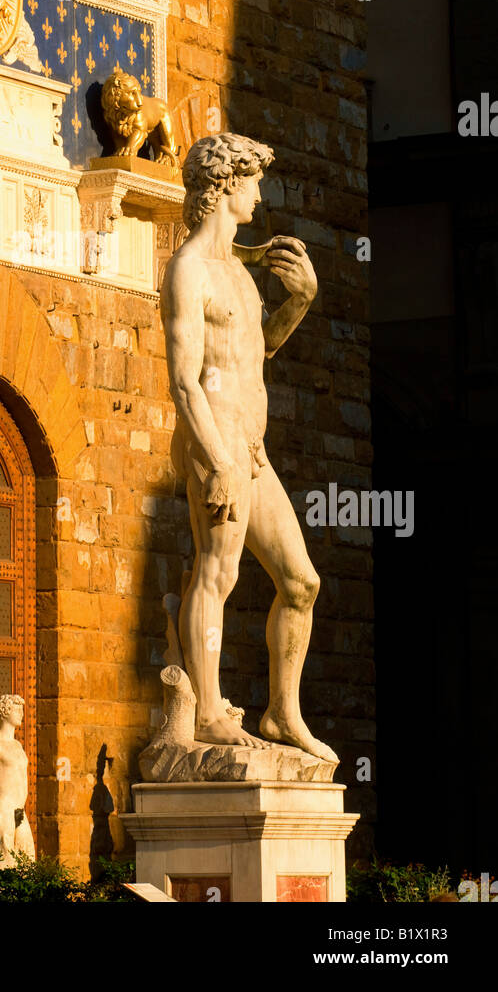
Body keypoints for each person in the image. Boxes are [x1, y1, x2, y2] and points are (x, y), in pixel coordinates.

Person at [160, 134, 337, 762]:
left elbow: (256, 351)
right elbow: (184, 379)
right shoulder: (189, 269)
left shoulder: (238, 268)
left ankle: (280, 714)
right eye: (253, 181)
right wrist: (218, 460)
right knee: (218, 571)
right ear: (225, 185)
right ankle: (208, 711)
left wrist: (301, 301)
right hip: (218, 443)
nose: (259, 195)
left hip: (251, 447)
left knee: (301, 582)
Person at [0, 694, 35, 867]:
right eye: (17, 709)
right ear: (5, 712)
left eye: (22, 709)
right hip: (4, 805)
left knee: (26, 859)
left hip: (19, 808)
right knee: (4, 861)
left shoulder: (17, 745)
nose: (21, 713)